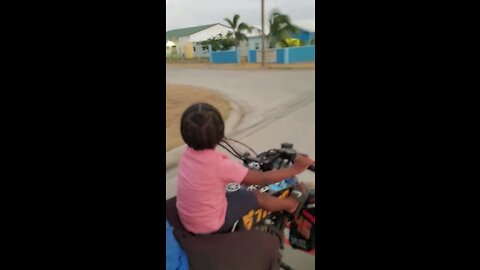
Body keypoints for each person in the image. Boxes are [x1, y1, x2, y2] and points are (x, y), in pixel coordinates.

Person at [176, 102, 314, 235]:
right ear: (221, 132)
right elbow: (263, 179)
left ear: (184, 134)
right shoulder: (219, 165)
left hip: (189, 219)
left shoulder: (186, 156)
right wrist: (296, 168)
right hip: (210, 224)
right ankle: (290, 204)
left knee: (236, 192)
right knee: (256, 195)